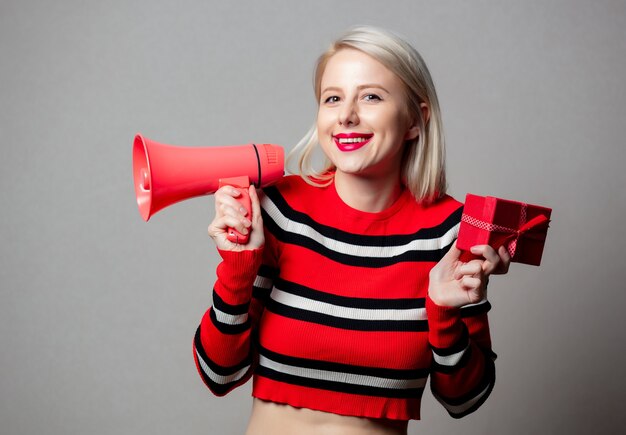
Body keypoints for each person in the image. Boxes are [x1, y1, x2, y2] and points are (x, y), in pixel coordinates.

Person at [193, 26, 511, 435]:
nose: (346, 115)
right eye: (333, 98)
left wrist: (445, 312)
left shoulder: (452, 232)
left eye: (371, 96)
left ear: (416, 119)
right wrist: (238, 268)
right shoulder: (279, 210)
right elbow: (218, 373)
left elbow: (465, 398)